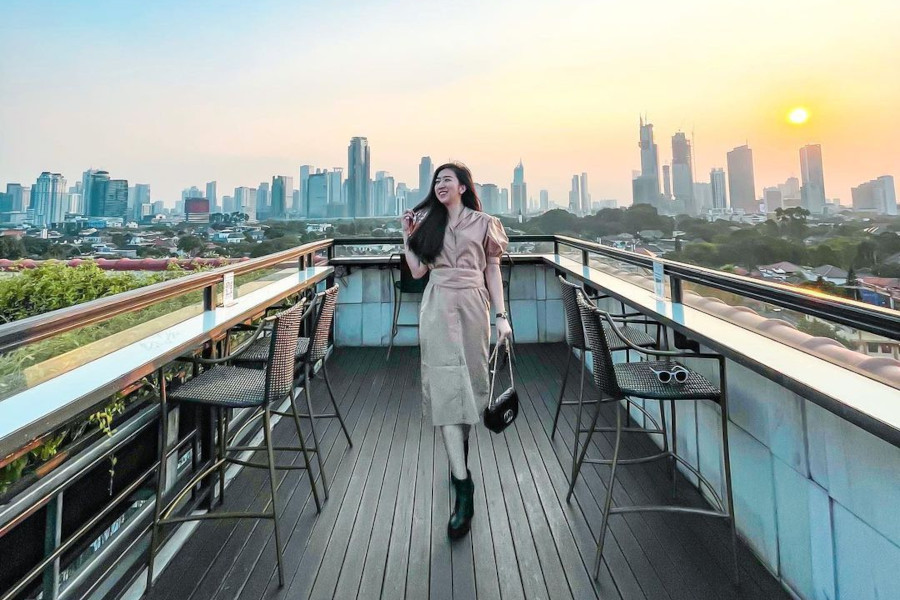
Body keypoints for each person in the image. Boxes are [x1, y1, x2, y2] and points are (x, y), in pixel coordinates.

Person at [401, 162, 511, 540]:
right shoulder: (429, 224)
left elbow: (492, 270)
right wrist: (406, 237)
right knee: (446, 382)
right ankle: (463, 487)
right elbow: (417, 272)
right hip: (437, 304)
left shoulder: (485, 223)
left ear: (463, 186)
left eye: (447, 179)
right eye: (436, 180)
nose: (440, 184)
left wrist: (501, 316)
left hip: (474, 305)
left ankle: (458, 452)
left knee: (471, 381)